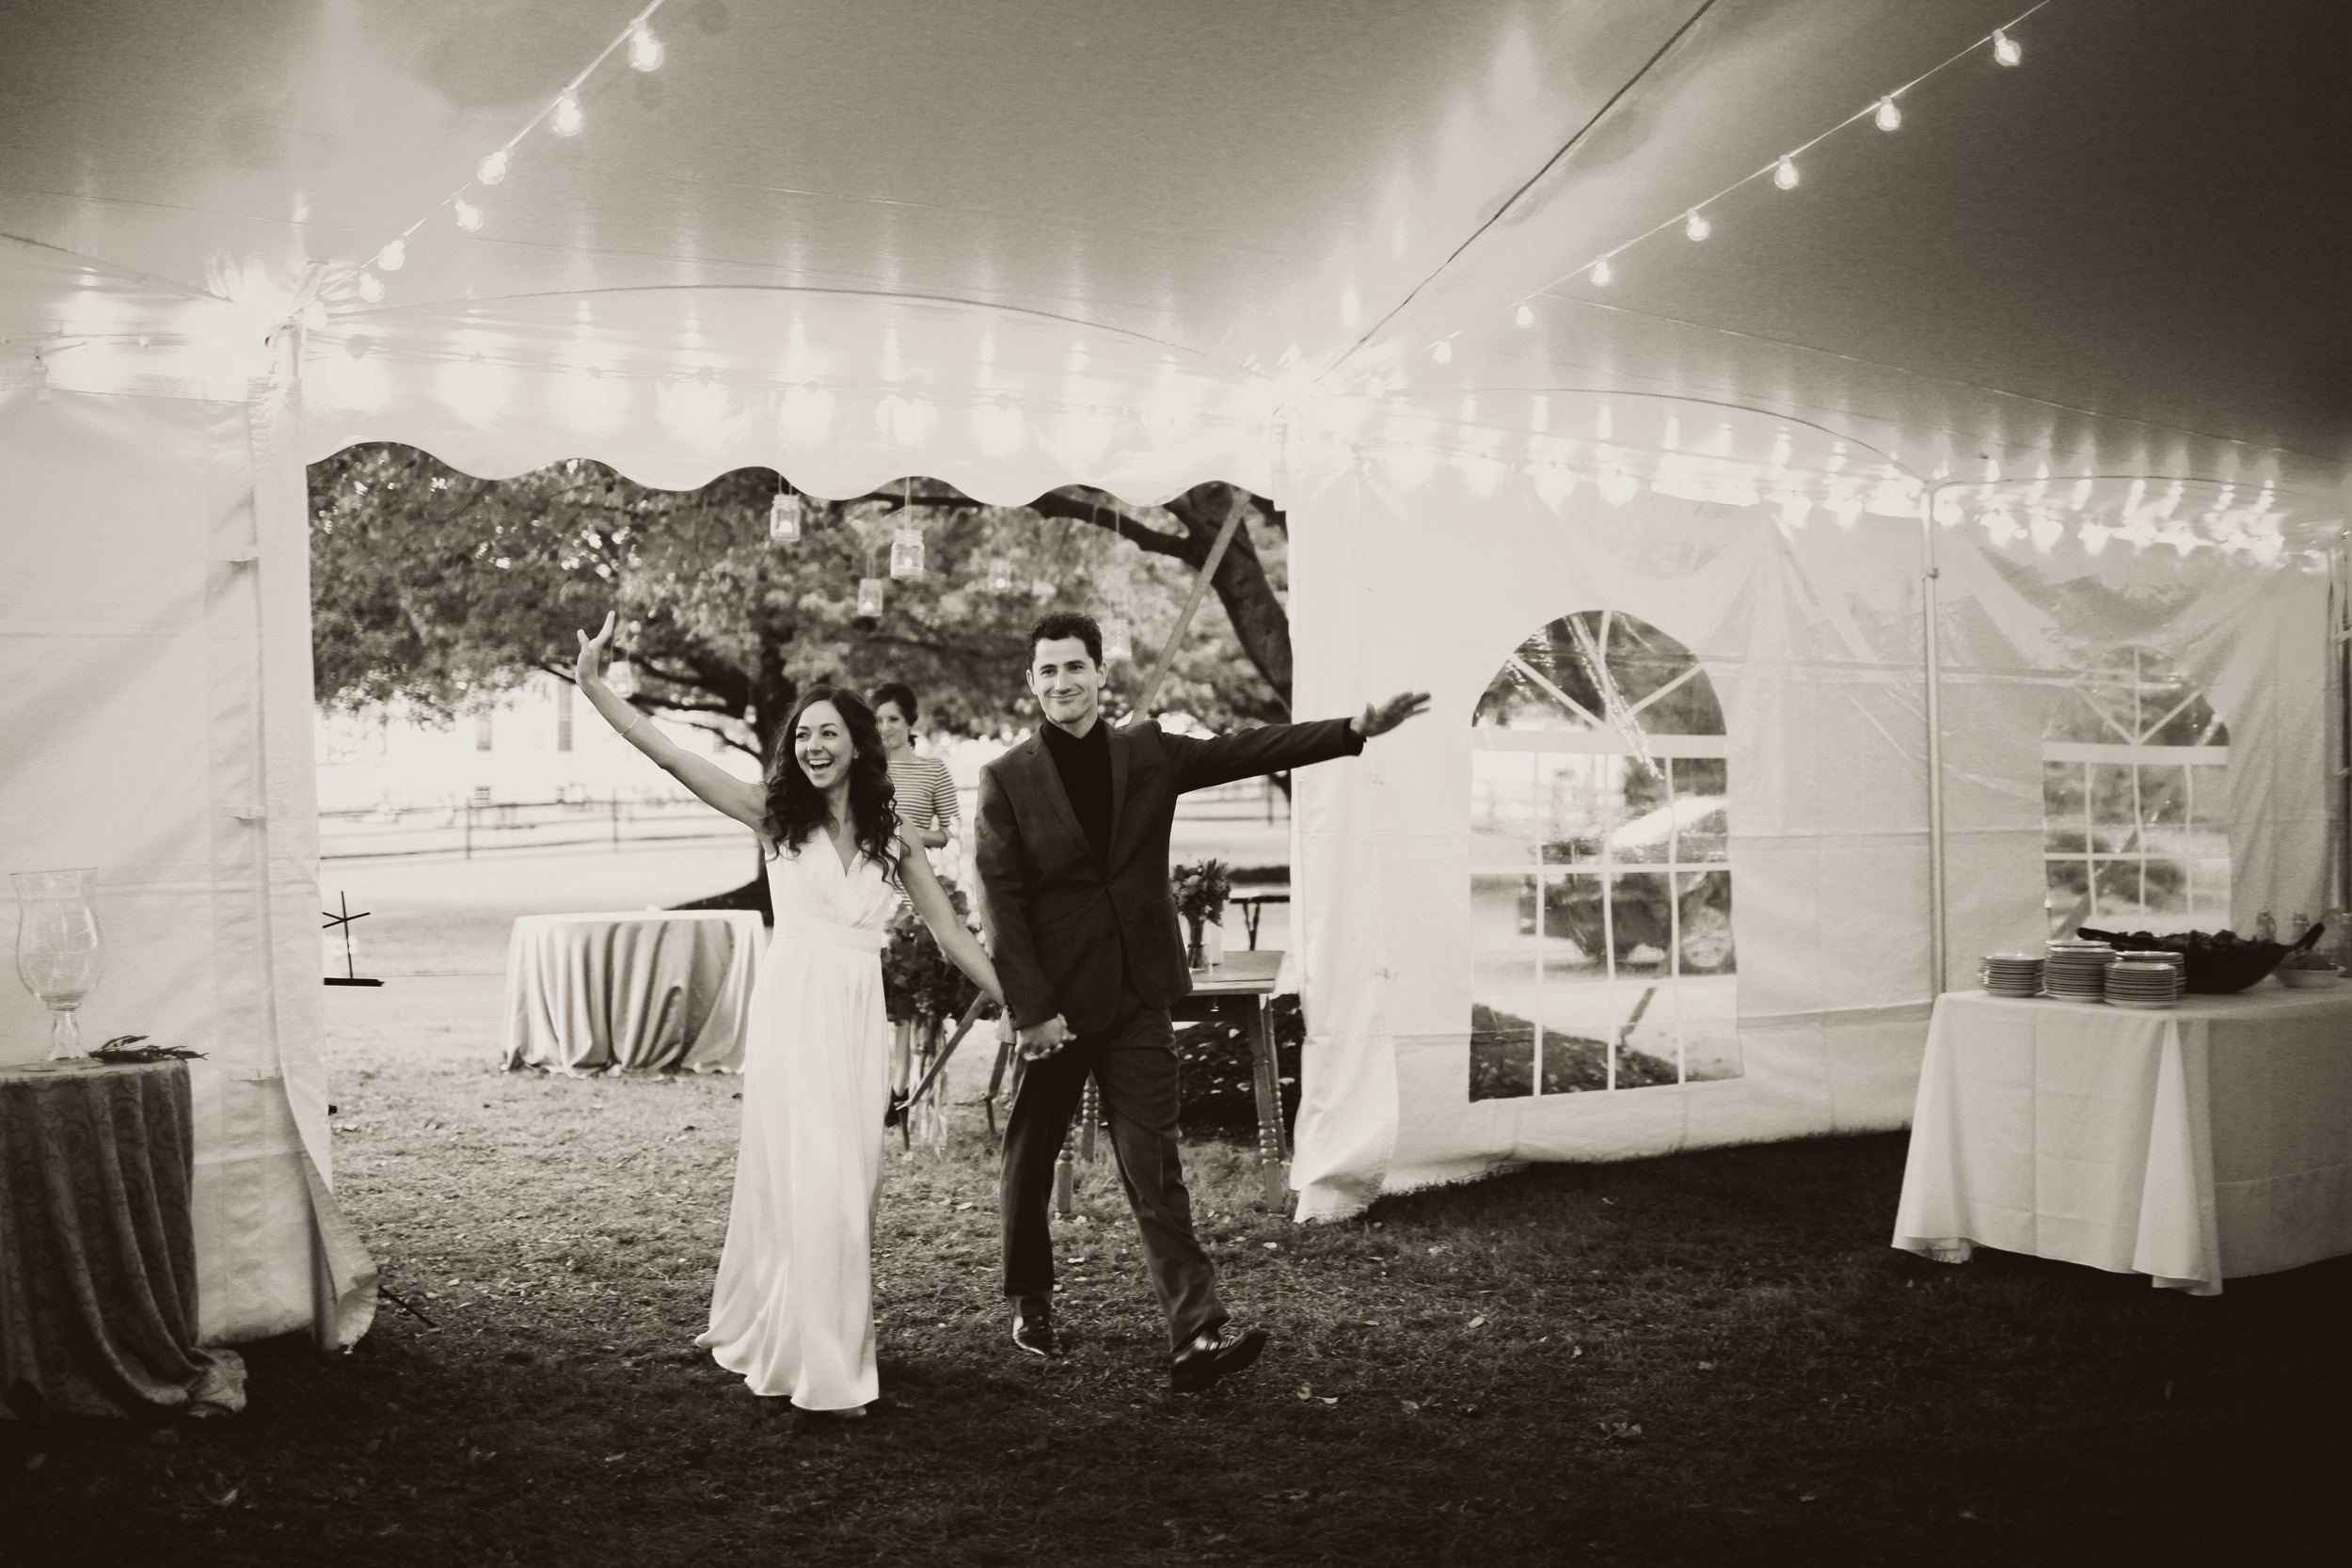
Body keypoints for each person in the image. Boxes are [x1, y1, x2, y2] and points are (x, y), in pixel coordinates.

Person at [974, 610, 1428, 1392]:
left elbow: (1245, 749)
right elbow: (1003, 903)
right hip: (1055, 1006)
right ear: (1030, 683)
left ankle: (1196, 1333)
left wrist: (1353, 727)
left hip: (1139, 997)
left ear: (1101, 675)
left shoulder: (1145, 752)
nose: (1061, 683)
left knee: (1155, 1165)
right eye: (1046, 671)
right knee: (1029, 1153)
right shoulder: (1007, 778)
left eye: (1074, 667)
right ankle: (1031, 1297)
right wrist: (1032, 1009)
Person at [573, 612, 1002, 1417]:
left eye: (828, 732)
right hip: (791, 1012)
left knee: (850, 1181)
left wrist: (1016, 994)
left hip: (853, 1017)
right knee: (807, 1177)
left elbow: (947, 931)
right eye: (802, 734)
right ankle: (824, 1361)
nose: (812, 745)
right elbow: (674, 754)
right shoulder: (774, 815)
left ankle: (810, 1323)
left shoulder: (891, 831)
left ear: (857, 744)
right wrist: (599, 691)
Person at [871, 682, 960, 853]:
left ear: (909, 721)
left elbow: (953, 832)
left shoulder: (934, 770)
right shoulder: (863, 770)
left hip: (913, 870)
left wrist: (905, 832)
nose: (885, 727)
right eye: (878, 720)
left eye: (893, 719)